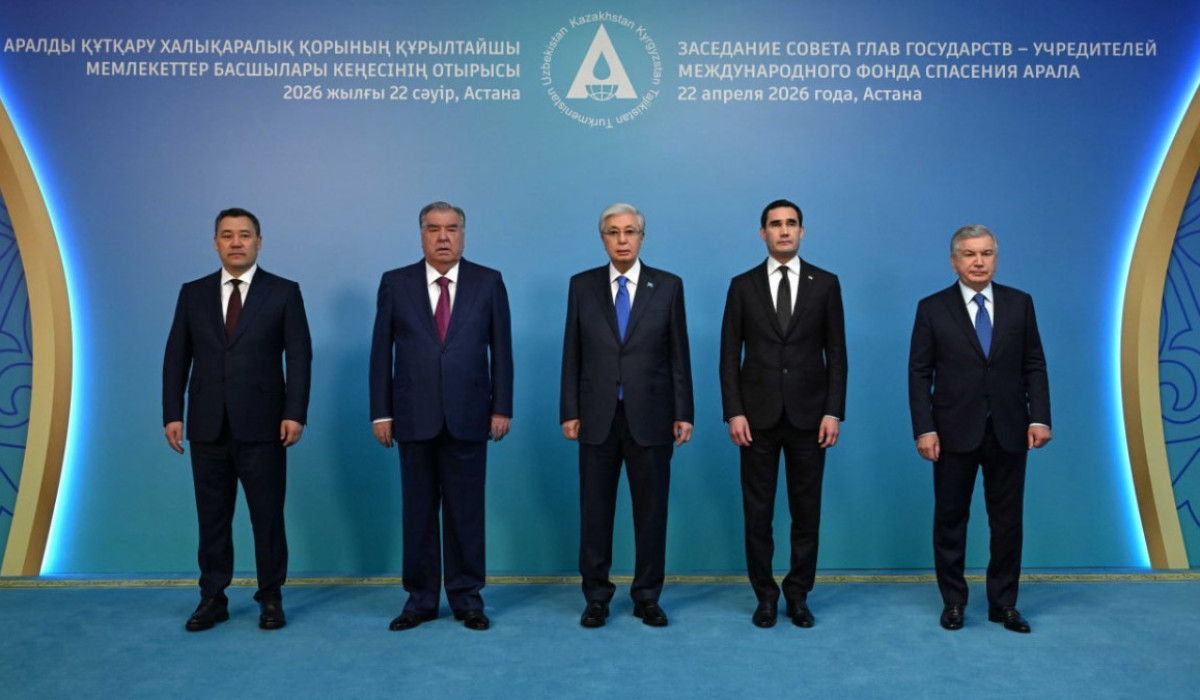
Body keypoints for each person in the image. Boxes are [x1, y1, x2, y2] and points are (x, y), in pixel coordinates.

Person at [163, 207, 312, 632]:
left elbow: (299, 357)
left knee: (267, 517)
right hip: (206, 424)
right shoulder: (193, 293)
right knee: (212, 518)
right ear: (215, 243)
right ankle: (213, 598)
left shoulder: (283, 292)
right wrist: (172, 413)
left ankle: (271, 597)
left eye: (244, 235)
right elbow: (176, 356)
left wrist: (295, 413)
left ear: (259, 242)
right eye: (227, 235)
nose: (236, 242)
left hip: (265, 425)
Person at [369, 201, 513, 632]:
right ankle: (420, 600)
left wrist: (501, 406)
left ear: (463, 234)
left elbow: (502, 349)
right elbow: (381, 352)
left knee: (466, 512)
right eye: (434, 229)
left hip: (471, 414)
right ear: (421, 235)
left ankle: (468, 599)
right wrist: (381, 413)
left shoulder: (488, 281)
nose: (443, 236)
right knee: (417, 512)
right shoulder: (396, 283)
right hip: (413, 415)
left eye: (452, 228)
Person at [908, 224, 1051, 633]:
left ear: (996, 259)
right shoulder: (932, 308)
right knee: (950, 520)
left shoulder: (1020, 303)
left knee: (1007, 521)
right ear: (954, 261)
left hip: (1010, 428)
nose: (978, 261)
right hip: (952, 431)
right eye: (969, 254)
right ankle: (954, 601)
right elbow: (919, 373)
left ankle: (1004, 604)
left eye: (986, 253)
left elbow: (1034, 364)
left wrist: (1039, 417)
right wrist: (924, 428)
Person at [560, 202, 694, 628]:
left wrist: (684, 412)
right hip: (596, 417)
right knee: (595, 513)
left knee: (651, 513)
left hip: (652, 417)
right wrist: (569, 410)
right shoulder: (582, 286)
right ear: (603, 239)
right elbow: (572, 352)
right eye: (613, 232)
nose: (622, 239)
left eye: (630, 231)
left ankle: (647, 596)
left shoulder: (668, 286)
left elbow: (679, 354)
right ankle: (596, 597)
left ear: (641, 237)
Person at [719, 199, 847, 629]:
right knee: (758, 514)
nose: (784, 230)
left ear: (802, 231)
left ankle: (798, 594)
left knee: (806, 512)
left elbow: (837, 355)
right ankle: (765, 596)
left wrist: (833, 411)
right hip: (755, 419)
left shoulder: (825, 283)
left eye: (792, 223)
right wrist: (734, 412)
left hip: (811, 418)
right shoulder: (742, 285)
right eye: (776, 224)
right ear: (763, 233)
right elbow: (728, 355)